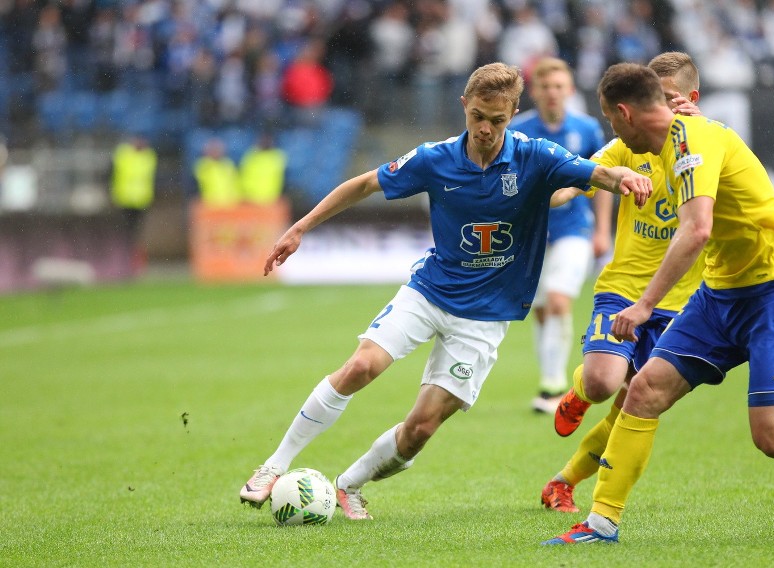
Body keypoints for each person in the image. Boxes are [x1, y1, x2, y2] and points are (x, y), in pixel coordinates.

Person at [239, 62, 653, 520]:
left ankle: (348, 485)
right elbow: (364, 184)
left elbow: (595, 174)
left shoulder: (536, 156)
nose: (486, 128)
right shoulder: (435, 158)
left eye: (497, 120)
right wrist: (300, 227)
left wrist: (625, 179)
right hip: (431, 291)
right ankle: (272, 468)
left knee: (420, 428)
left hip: (485, 316)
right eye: (478, 116)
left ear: (514, 112)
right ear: (464, 106)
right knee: (361, 365)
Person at [544, 62, 774, 545]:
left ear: (623, 113)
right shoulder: (658, 143)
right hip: (720, 294)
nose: (612, 130)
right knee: (642, 392)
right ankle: (600, 523)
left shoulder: (693, 141)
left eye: (610, 121)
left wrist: (645, 304)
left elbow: (697, 228)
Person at [541, 52, 705, 513]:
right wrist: (552, 192)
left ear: (690, 100)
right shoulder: (627, 146)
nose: (660, 105)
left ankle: (562, 483)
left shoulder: (708, 144)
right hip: (625, 287)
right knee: (601, 382)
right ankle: (578, 390)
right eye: (652, 95)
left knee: (633, 403)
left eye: (669, 97)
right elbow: (573, 183)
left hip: (683, 301)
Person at [510, 57, 611, 414]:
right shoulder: (519, 131)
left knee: (557, 301)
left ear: (569, 90)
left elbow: (601, 181)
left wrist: (601, 230)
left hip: (574, 229)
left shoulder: (586, 130)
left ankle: (553, 387)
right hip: (532, 234)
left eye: (559, 86)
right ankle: (549, 377)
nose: (552, 93)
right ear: (535, 91)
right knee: (539, 310)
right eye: (545, 87)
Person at [109, 133, 157, 274]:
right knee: (125, 234)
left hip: (141, 201)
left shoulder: (148, 156)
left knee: (136, 234)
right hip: (124, 200)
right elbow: (112, 173)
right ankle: (124, 263)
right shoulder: (123, 154)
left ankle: (134, 264)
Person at [239, 132, 287, 206]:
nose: (265, 142)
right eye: (263, 139)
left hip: (270, 199)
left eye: (268, 140)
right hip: (251, 198)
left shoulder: (277, 156)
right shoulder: (251, 155)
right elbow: (243, 175)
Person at [193, 137, 240, 207]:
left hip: (230, 204)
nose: (216, 152)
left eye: (218, 149)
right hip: (210, 204)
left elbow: (235, 183)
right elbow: (201, 177)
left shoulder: (228, 164)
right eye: (213, 149)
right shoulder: (203, 165)